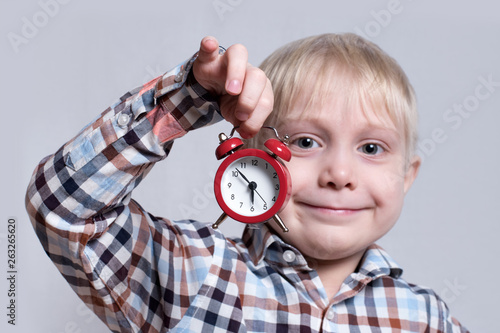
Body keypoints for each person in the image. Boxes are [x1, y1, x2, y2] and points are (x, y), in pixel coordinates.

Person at [25, 34, 469, 332]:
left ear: (407, 176)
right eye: (306, 141)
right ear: (249, 155)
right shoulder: (194, 273)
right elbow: (64, 206)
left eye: (371, 149)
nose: (339, 175)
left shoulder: (427, 318)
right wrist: (187, 99)